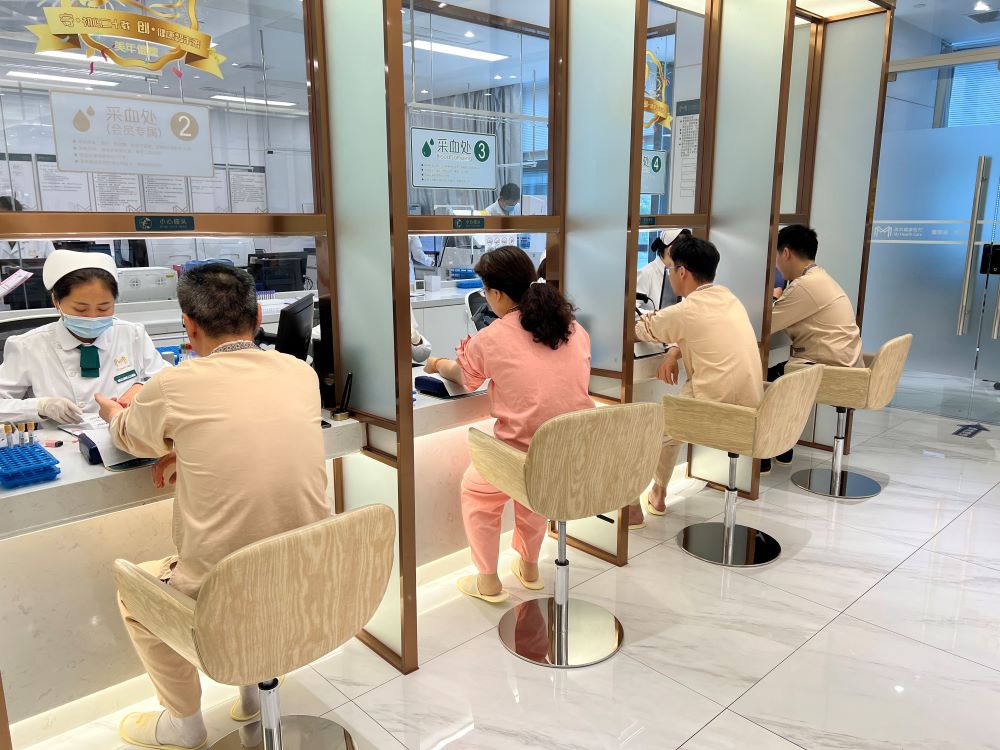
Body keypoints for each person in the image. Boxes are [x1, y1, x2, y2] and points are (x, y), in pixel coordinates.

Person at [96, 264, 329, 750]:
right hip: (310, 580)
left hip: (226, 597)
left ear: (188, 325)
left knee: (133, 594)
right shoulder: (300, 372)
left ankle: (183, 724)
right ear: (258, 315)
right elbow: (251, 434)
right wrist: (190, 448)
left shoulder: (174, 384)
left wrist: (114, 412)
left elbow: (131, 439)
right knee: (257, 559)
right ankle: (252, 693)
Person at [423, 246, 592, 603]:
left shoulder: (492, 338)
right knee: (533, 489)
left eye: (486, 291)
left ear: (497, 293)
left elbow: (465, 378)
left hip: (525, 458)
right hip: (573, 455)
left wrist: (436, 364)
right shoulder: (573, 327)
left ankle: (487, 580)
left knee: (478, 490)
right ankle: (529, 568)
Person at [632, 236, 764, 528]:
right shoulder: (729, 298)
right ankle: (658, 493)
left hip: (715, 410)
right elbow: (697, 330)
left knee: (649, 427)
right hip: (751, 410)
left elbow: (641, 329)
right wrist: (673, 352)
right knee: (671, 423)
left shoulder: (687, 310)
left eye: (672, 269)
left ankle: (633, 504)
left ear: (682, 272)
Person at [0, 250, 168, 424]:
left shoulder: (132, 335)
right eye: (80, 309)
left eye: (104, 308)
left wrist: (141, 387)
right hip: (59, 440)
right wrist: (40, 406)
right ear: (56, 302)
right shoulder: (29, 346)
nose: (93, 317)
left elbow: (169, 382)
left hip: (125, 435)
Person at [762, 224, 862, 471]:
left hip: (830, 370)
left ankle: (762, 457)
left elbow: (766, 324)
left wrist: (774, 298)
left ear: (786, 253)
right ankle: (783, 450)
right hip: (846, 366)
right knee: (780, 374)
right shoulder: (820, 277)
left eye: (776, 256)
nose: (776, 264)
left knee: (763, 380)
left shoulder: (804, 286)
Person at [636, 228, 691, 312]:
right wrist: (657, 316)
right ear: (670, 250)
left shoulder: (682, 272)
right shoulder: (646, 273)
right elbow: (632, 310)